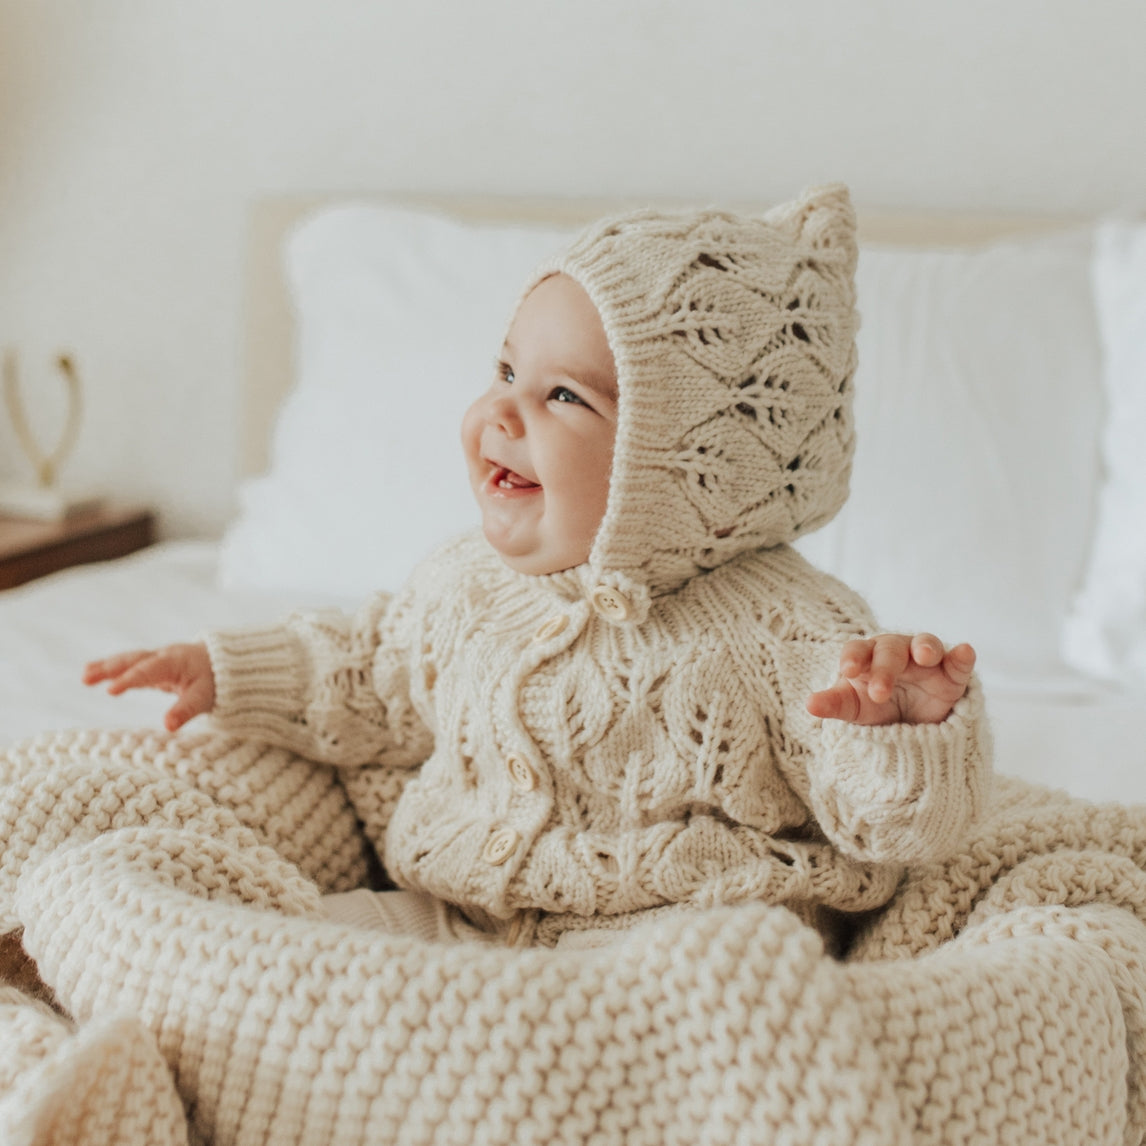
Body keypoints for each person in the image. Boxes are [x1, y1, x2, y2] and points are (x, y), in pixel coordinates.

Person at [83, 184, 990, 951]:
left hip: (672, 944)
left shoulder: (786, 630)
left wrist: (902, 735)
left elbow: (890, 827)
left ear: (685, 465)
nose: (502, 412)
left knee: (723, 997)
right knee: (268, 947)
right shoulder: (465, 583)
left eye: (562, 395)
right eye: (506, 369)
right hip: (457, 914)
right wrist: (229, 671)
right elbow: (372, 677)